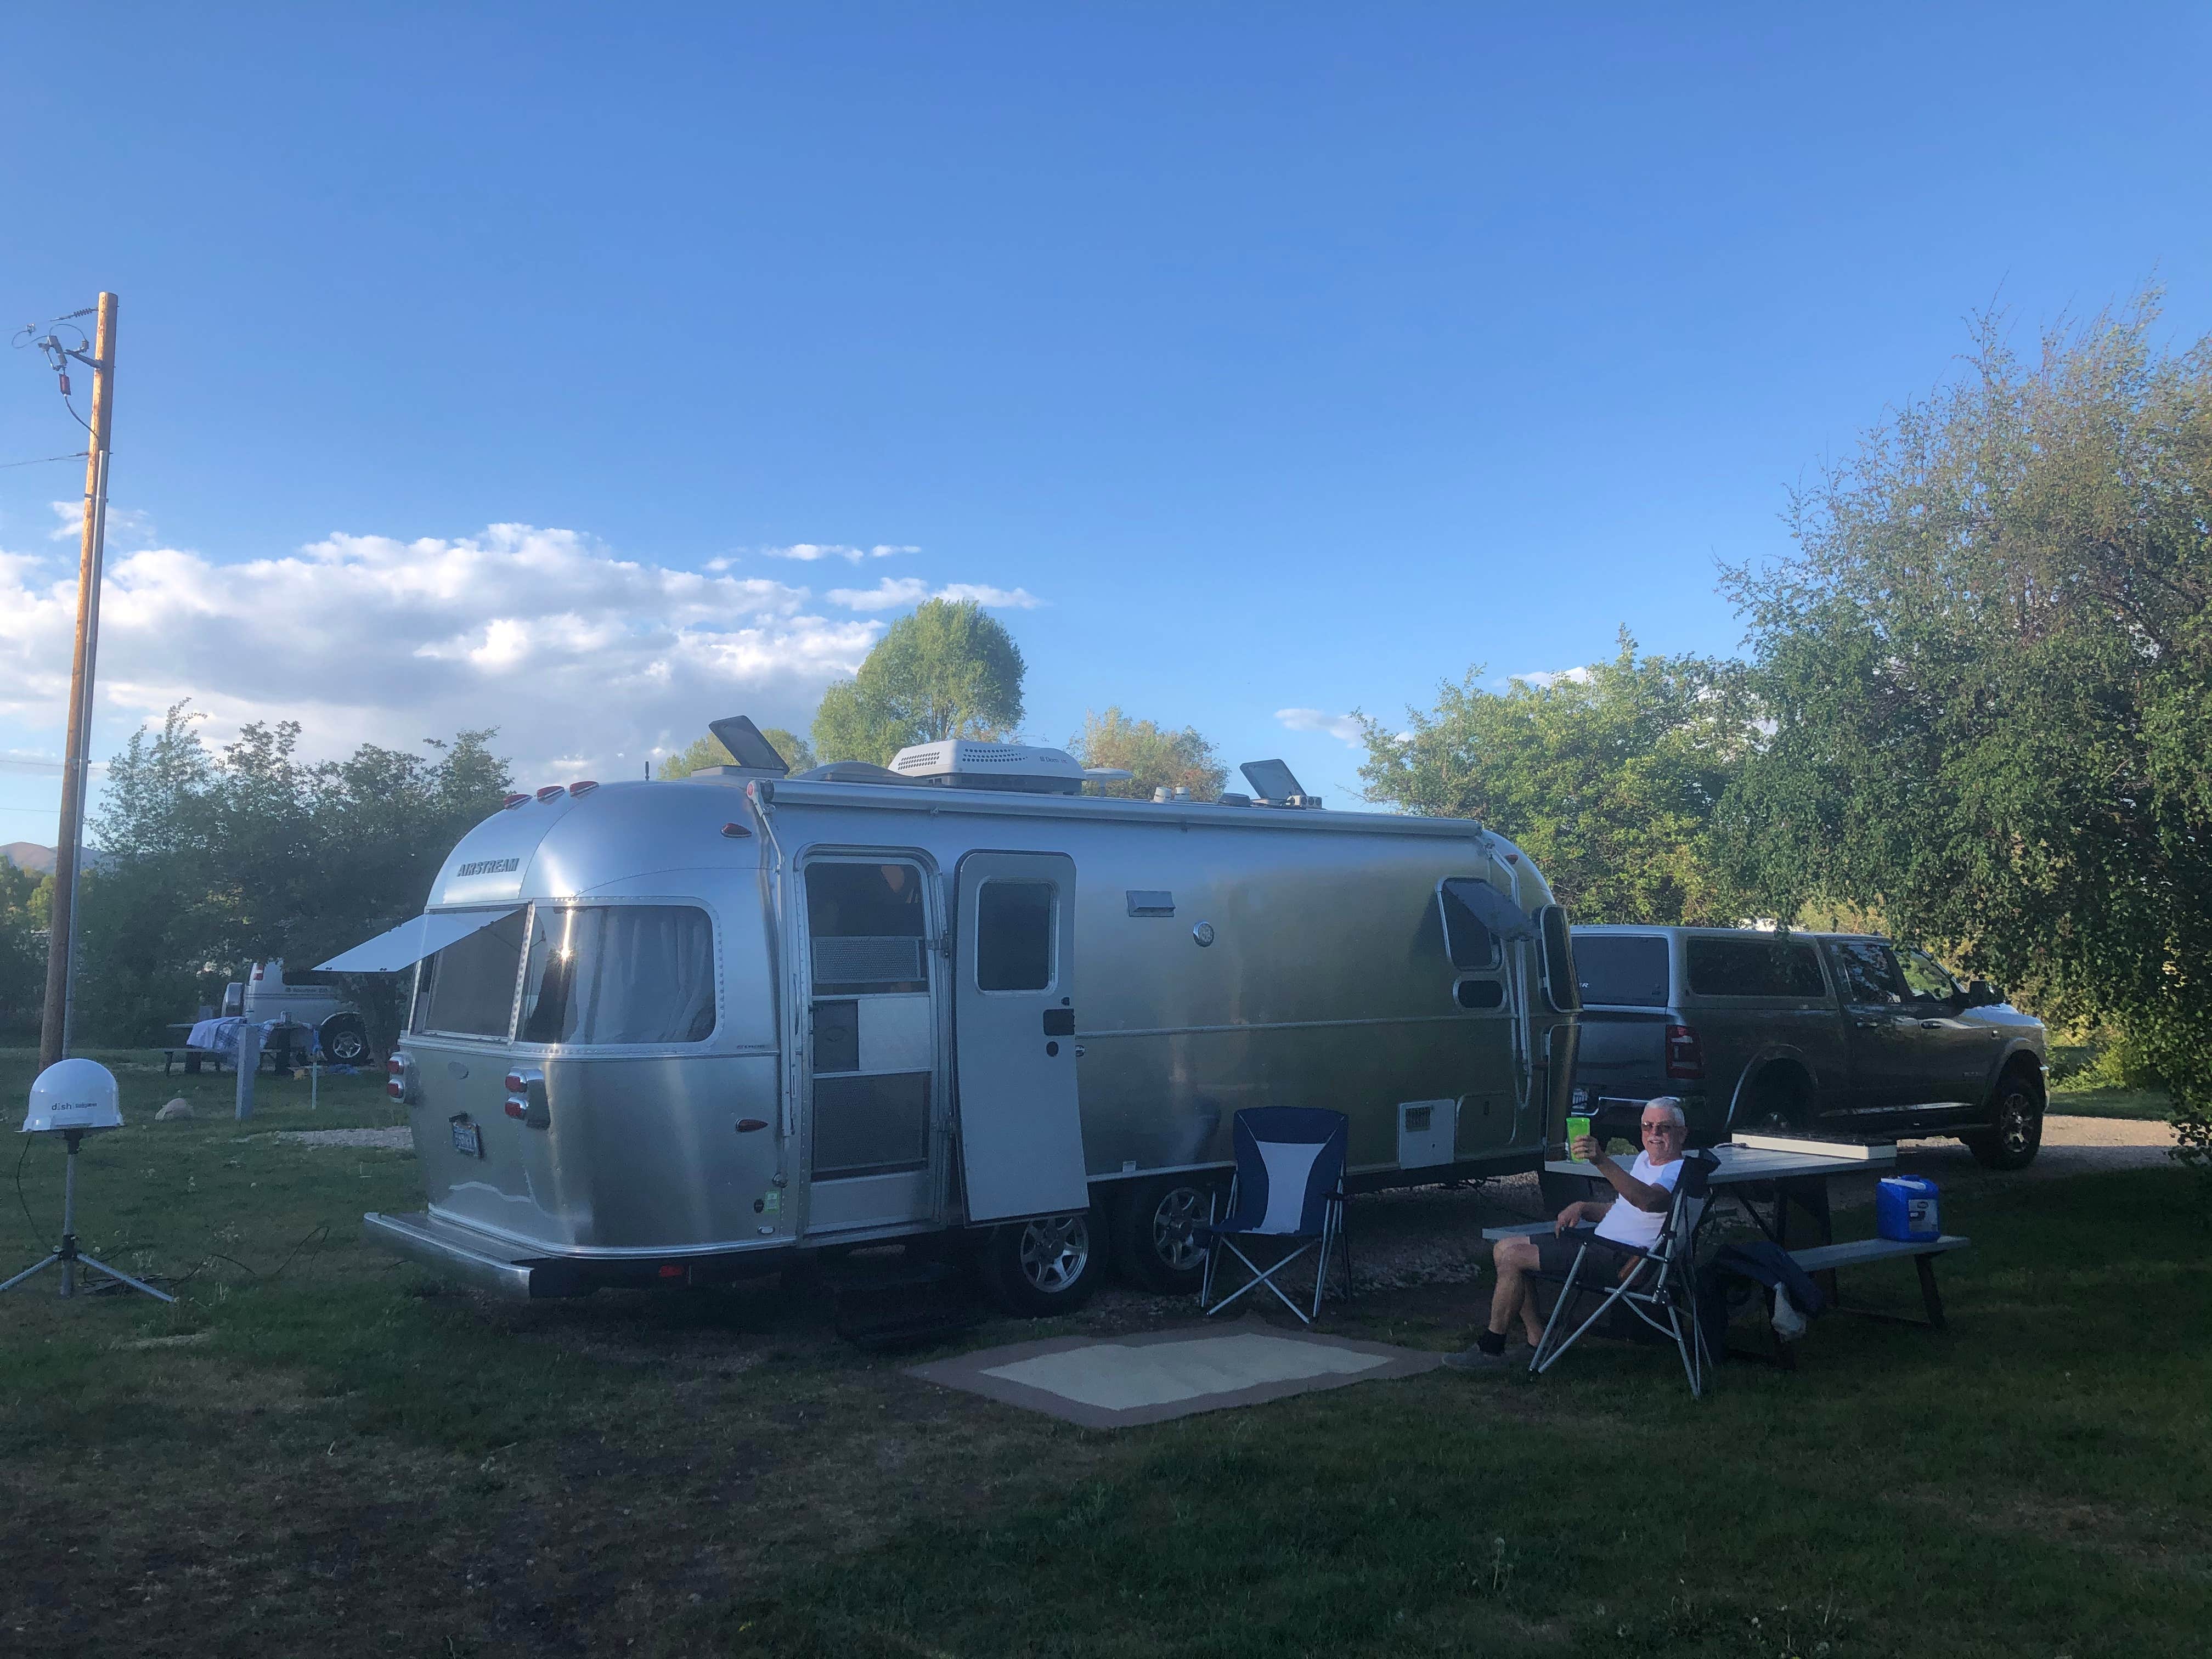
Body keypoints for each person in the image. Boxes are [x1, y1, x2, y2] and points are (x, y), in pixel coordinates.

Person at [1443, 1098, 1690, 1372]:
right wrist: (1584, 1207)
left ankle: (1491, 1348)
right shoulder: (1645, 1160)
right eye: (1648, 1126)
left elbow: (1648, 1202)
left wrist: (1602, 1161)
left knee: (1513, 1257)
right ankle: (1538, 1341)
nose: (1654, 1134)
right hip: (1598, 1244)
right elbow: (1625, 1209)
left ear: (1682, 1133)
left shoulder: (1677, 1170)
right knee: (1502, 1248)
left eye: (1663, 1128)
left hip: (1624, 1261)